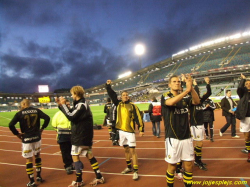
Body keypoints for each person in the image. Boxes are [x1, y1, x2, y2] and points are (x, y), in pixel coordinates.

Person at [56, 86, 104, 187]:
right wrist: (60, 105)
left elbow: (71, 117)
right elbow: (71, 112)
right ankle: (99, 176)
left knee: (75, 156)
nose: (72, 96)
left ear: (76, 93)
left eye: (72, 94)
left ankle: (79, 180)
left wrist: (64, 105)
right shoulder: (80, 104)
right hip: (84, 136)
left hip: (80, 137)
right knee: (89, 155)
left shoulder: (81, 105)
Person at [161, 74, 200, 187]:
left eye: (178, 81)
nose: (177, 83)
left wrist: (191, 87)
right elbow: (170, 103)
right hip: (172, 137)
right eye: (174, 81)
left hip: (186, 137)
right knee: (172, 166)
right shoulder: (165, 96)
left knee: (189, 166)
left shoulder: (185, 98)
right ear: (169, 84)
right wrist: (186, 91)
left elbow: (197, 102)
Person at [105, 79, 144, 181]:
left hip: (130, 131)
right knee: (126, 150)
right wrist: (108, 86)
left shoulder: (133, 106)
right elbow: (111, 94)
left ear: (129, 96)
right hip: (121, 131)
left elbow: (138, 117)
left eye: (127, 95)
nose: (125, 96)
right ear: (121, 97)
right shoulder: (118, 104)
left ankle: (135, 171)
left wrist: (141, 128)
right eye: (123, 95)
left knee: (133, 151)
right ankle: (129, 167)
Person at [9, 99, 50, 187]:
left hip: (27, 138)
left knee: (29, 159)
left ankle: (32, 181)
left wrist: (17, 134)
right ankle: (39, 176)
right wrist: (42, 128)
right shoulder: (37, 110)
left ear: (23, 104)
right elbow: (47, 118)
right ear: (30, 104)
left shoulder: (20, 113)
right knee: (38, 156)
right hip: (37, 137)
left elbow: (11, 125)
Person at [190, 77, 211, 171]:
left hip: (200, 124)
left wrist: (208, 83)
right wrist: (195, 85)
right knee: (199, 143)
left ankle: (197, 161)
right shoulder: (191, 102)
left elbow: (209, 93)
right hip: (194, 125)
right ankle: (197, 161)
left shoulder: (200, 100)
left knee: (199, 144)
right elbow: (195, 92)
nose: (197, 94)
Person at [52, 99, 74, 175]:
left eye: (68, 104)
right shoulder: (58, 114)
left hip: (72, 136)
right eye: (66, 104)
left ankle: (72, 164)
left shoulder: (72, 113)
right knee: (65, 152)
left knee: (73, 151)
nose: (68, 106)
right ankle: (68, 166)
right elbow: (54, 125)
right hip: (62, 137)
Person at [235, 74, 250, 162]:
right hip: (245, 118)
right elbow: (239, 88)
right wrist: (242, 80)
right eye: (247, 83)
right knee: (247, 137)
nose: (248, 85)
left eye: (249, 83)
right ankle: (249, 153)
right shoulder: (242, 94)